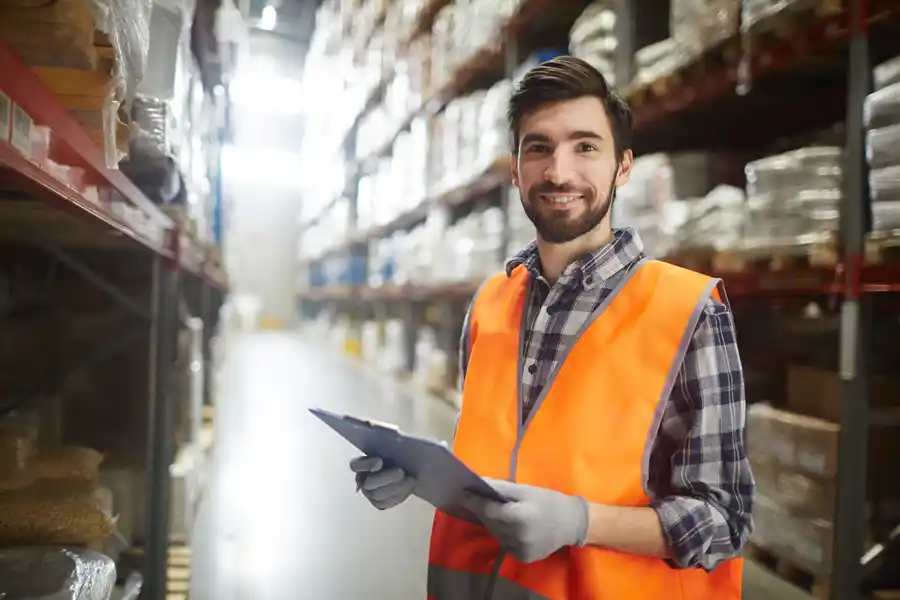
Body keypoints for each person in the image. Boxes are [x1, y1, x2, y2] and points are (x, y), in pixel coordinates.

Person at [349, 56, 754, 599]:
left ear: (623, 166)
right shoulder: (490, 304)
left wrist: (581, 522)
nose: (559, 172)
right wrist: (418, 479)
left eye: (585, 147)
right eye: (538, 147)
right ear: (514, 169)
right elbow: (502, 459)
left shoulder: (689, 311)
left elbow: (724, 519)